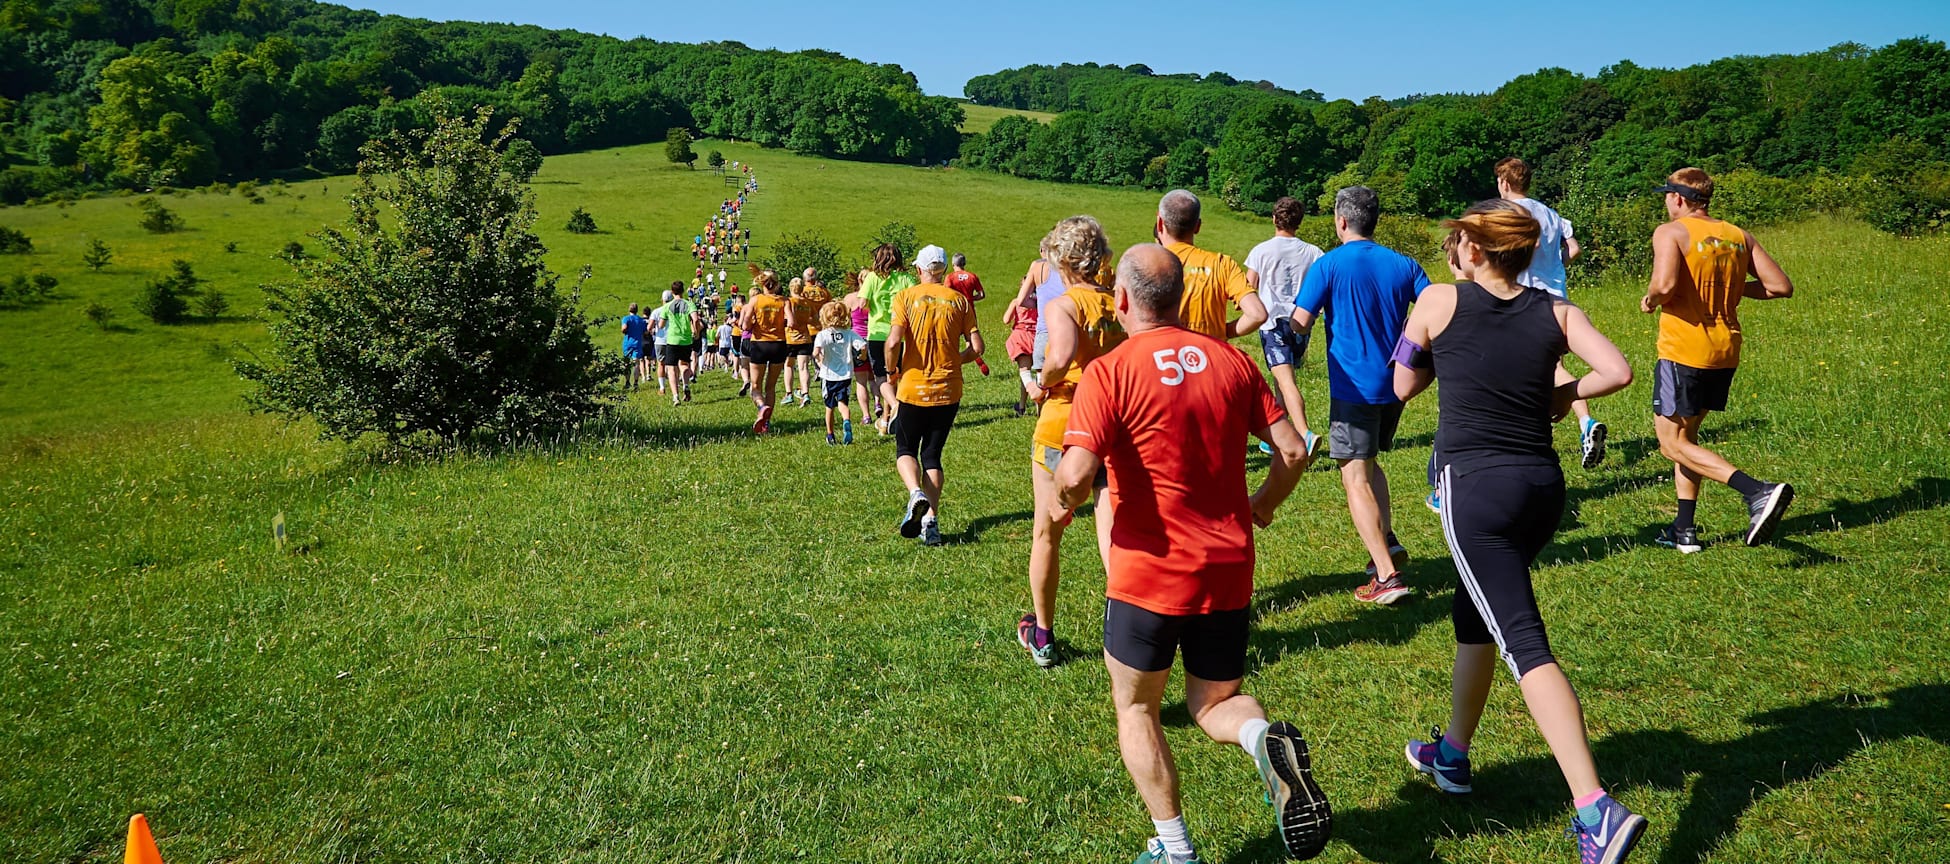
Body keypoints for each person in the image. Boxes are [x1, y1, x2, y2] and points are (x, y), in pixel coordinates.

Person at [1054, 244, 1329, 864]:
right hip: (1227, 568)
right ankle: (1261, 739)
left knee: (1136, 707)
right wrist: (1262, 506)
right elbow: (1293, 450)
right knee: (1215, 702)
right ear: (1179, 299)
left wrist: (1065, 499)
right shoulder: (1233, 362)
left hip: (1146, 576)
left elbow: (1075, 472)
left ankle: (1175, 848)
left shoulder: (1111, 370)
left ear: (1121, 300)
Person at [1393, 199, 1643, 864]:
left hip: (1475, 495)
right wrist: (1563, 396)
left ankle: (1595, 808)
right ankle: (1452, 753)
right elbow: (1617, 372)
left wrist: (1431, 354)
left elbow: (1402, 386)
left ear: (1472, 251)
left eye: (1455, 242)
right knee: (1475, 613)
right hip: (1541, 489)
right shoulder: (1557, 311)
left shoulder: (1437, 303)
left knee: (1523, 643)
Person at [1643, 168, 1796, 552]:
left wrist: (1651, 300)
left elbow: (1662, 286)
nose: (1665, 202)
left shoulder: (1670, 232)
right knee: (1687, 437)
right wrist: (1728, 288)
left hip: (1684, 350)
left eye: (1666, 195)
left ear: (1678, 198)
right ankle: (1684, 531)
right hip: (1725, 349)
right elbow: (1779, 287)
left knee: (1670, 444)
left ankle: (1756, 491)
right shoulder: (1737, 236)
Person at [1293, 186, 1429, 605]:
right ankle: (1384, 545)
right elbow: (1434, 312)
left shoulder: (1328, 265)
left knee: (1353, 476)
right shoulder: (1404, 264)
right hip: (1395, 386)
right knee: (1369, 466)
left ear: (1341, 221)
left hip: (1353, 388)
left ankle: (1387, 576)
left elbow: (1299, 322)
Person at [1016, 217, 1124, 668]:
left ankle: (1042, 635)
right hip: (1114, 426)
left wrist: (1041, 380)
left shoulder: (1064, 303)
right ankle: (1126, 633)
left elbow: (1059, 356)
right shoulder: (1120, 304)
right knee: (1114, 538)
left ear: (1060, 259)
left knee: (1047, 532)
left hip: (1065, 421)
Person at [1494, 157, 1608, 469]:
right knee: (1551, 366)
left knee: (1521, 369)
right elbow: (1574, 249)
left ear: (1504, 183)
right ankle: (1584, 422)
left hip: (1521, 298)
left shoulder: (1506, 212)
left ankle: (1524, 437)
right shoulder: (1548, 212)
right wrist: (1554, 268)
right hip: (1557, 297)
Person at [884, 244, 983, 547]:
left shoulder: (905, 297)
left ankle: (915, 493)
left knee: (905, 449)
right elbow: (978, 348)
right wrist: (955, 359)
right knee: (932, 456)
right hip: (948, 389)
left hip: (913, 387)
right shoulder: (960, 301)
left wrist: (892, 373)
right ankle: (931, 523)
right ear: (943, 271)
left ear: (919, 270)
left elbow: (892, 343)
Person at [1244, 195, 1328, 464]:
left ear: (1273, 219)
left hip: (1273, 323)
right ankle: (1276, 440)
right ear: (1299, 222)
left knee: (1285, 382)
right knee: (1285, 380)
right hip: (1301, 324)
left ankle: (1304, 434)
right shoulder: (1314, 252)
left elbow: (1249, 285)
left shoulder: (1261, 251)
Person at [1156, 189, 1268, 341]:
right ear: (1198, 226)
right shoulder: (1222, 265)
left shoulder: (1148, 265)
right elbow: (1257, 314)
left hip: (1163, 357)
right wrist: (1224, 332)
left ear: (1160, 222)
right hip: (1210, 357)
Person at [860, 244, 919, 433]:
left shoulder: (871, 277)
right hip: (900, 334)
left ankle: (895, 406)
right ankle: (885, 421)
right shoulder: (906, 278)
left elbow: (862, 304)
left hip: (877, 333)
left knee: (880, 377)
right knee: (894, 376)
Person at [740, 269, 796, 434]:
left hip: (759, 344)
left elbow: (745, 326)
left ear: (761, 283)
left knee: (755, 386)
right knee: (770, 387)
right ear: (777, 284)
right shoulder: (785, 301)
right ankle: (767, 423)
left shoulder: (755, 300)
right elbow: (791, 323)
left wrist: (755, 324)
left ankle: (761, 407)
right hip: (779, 344)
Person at [814, 300, 867, 445]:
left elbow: (816, 352)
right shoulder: (849, 333)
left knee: (829, 406)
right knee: (843, 402)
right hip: (846, 375)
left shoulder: (822, 335)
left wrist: (819, 360)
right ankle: (846, 421)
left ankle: (830, 435)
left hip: (828, 375)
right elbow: (863, 345)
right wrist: (862, 356)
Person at [947, 252, 992, 375]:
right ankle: (978, 361)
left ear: (953, 264)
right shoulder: (972, 276)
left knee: (953, 341)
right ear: (964, 263)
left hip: (955, 312)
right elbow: (982, 294)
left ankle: (957, 370)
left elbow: (946, 295)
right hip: (969, 312)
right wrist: (971, 299)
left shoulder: (950, 277)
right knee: (971, 342)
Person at [1002, 280, 1040, 417]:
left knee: (1025, 373)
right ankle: (1029, 408)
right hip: (1036, 337)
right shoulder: (1039, 302)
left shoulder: (1016, 301)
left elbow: (1006, 320)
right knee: (1037, 373)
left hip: (1021, 338)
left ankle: (1029, 402)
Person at [659, 281, 700, 405]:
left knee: (671, 368)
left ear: (672, 292)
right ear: (683, 291)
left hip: (672, 339)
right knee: (684, 364)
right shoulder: (689, 304)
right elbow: (696, 319)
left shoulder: (667, 306)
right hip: (686, 339)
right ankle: (686, 385)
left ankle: (675, 396)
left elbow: (661, 324)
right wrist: (696, 332)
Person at [785, 277, 818, 407]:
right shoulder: (807, 303)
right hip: (805, 338)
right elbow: (816, 321)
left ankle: (788, 394)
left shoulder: (788, 302)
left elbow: (786, 319)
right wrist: (805, 321)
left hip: (790, 338)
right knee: (803, 367)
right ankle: (805, 393)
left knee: (789, 366)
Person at [619, 303, 650, 389]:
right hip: (637, 343)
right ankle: (636, 382)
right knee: (636, 363)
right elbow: (646, 332)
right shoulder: (641, 320)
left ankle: (627, 382)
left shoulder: (626, 319)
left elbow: (624, 328)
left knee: (627, 363)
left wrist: (625, 331)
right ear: (637, 310)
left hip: (628, 343)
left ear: (629, 310)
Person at [648, 291, 672, 395]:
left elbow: (649, 327)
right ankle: (674, 385)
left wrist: (653, 331)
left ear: (662, 299)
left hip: (660, 340)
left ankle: (662, 387)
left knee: (661, 364)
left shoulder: (656, 311)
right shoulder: (673, 311)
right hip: (672, 339)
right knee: (672, 364)